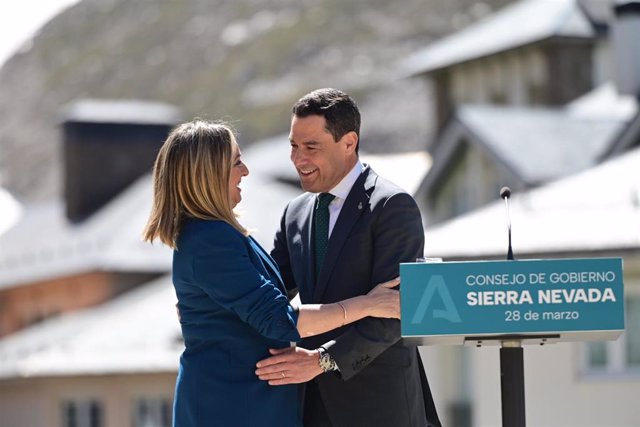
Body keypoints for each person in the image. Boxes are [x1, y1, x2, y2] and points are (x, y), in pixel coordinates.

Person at [142, 119, 402, 427]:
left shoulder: (217, 234)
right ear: (208, 174)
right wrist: (369, 304)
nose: (245, 171)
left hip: (248, 401)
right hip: (232, 406)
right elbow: (280, 320)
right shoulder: (209, 239)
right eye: (236, 162)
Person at [255, 88, 441, 426]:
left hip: (379, 405)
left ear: (349, 142)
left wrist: (321, 361)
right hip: (310, 405)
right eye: (294, 147)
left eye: (312, 147)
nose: (299, 159)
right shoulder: (294, 213)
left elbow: (397, 312)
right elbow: (267, 294)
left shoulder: (391, 206)